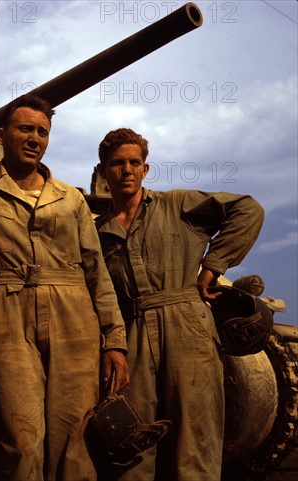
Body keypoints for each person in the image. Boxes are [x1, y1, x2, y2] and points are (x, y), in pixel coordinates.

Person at [0, 94, 129, 481]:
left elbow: (96, 271)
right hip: (10, 315)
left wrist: (115, 340)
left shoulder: (70, 197)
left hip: (75, 320)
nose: (34, 138)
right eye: (25, 128)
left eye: (42, 131)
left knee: (76, 446)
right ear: (1, 135)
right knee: (19, 441)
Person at [94, 127, 264, 480]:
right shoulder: (97, 232)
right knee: (132, 444)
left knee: (195, 443)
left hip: (187, 326)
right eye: (117, 163)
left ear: (145, 170)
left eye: (134, 163)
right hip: (133, 333)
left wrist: (214, 265)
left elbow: (248, 209)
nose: (126, 170)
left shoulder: (178, 204)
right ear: (103, 170)